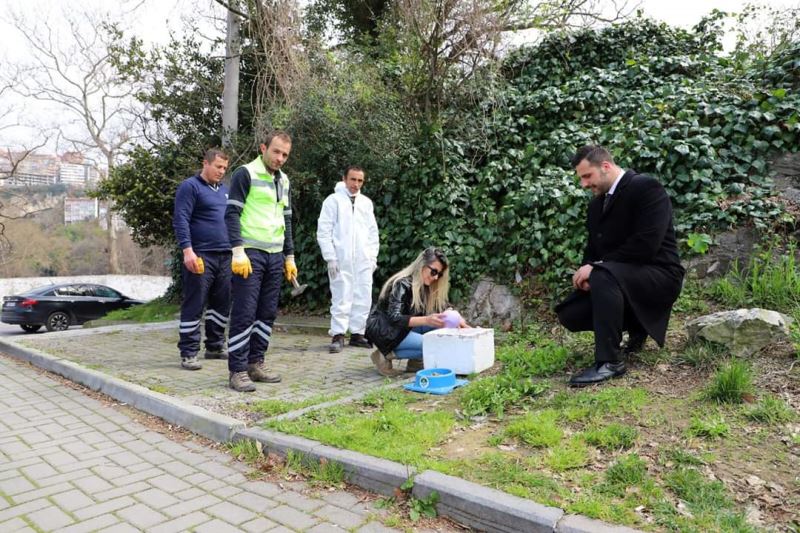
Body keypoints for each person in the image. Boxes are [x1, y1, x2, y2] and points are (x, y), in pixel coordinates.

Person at [555, 145, 684, 387]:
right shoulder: (596, 206)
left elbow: (648, 244)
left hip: (661, 275)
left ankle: (610, 362)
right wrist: (586, 270)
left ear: (605, 167)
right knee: (570, 313)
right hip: (622, 276)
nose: (583, 184)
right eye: (581, 178)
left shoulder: (646, 187)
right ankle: (637, 326)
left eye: (587, 176)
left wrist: (598, 267)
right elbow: (593, 251)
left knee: (603, 275)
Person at [224, 131, 297, 392]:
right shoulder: (246, 174)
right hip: (250, 254)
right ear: (263, 148)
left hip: (275, 256)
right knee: (244, 313)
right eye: (276, 152)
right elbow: (232, 214)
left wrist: (289, 256)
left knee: (266, 313)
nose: (280, 158)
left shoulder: (284, 180)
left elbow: (286, 219)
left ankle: (256, 363)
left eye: (285, 155)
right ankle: (237, 371)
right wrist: (237, 251)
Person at [172, 148, 232, 371]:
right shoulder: (190, 187)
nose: (221, 171)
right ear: (204, 163)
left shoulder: (225, 191)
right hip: (200, 255)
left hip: (225, 255)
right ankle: (188, 352)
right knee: (195, 304)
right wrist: (187, 251)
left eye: (225, 168)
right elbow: (181, 219)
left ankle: (215, 345)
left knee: (221, 304)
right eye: (218, 166)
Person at [365, 247, 467, 376]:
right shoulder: (401, 284)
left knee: (441, 328)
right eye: (434, 272)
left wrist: (459, 321)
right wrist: (427, 320)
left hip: (402, 328)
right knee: (434, 343)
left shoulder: (426, 285)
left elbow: (444, 308)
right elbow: (394, 318)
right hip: (386, 331)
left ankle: (415, 362)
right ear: (422, 265)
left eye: (439, 274)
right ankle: (384, 354)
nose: (436, 277)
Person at [316, 165, 380, 353]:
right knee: (341, 295)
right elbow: (324, 230)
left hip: (363, 258)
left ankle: (358, 333)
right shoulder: (333, 201)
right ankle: (338, 334)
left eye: (360, 180)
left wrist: (372, 257)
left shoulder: (366, 203)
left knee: (363, 295)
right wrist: (330, 257)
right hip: (341, 258)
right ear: (345, 179)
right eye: (353, 179)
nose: (356, 184)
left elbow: (372, 232)